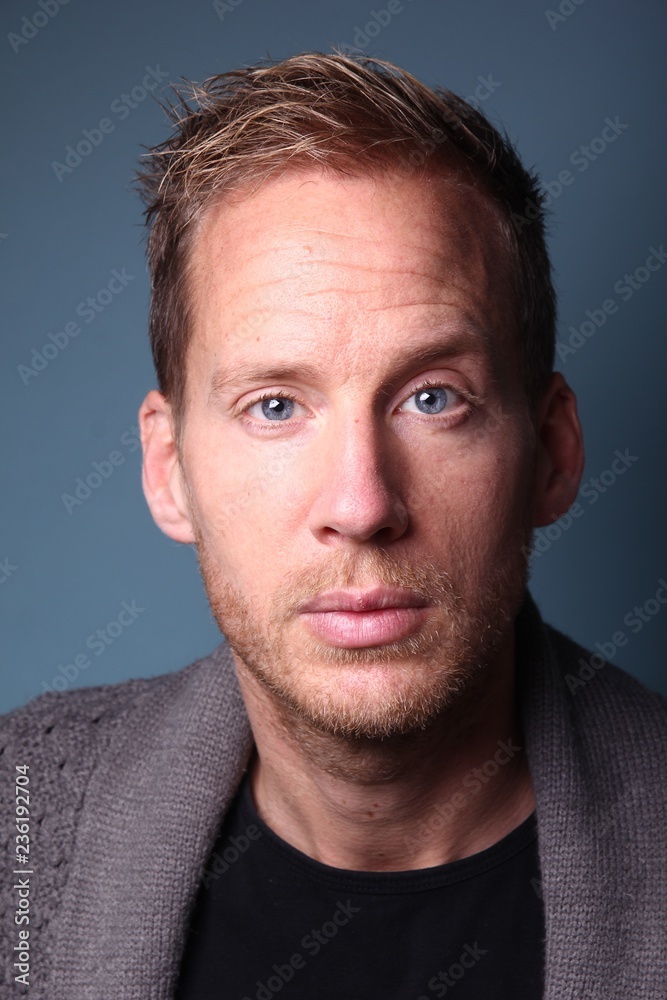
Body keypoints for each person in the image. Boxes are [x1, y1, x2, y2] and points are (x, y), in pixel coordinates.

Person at [1, 50, 665, 1000]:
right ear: (168, 469)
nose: (361, 505)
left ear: (552, 452)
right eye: (275, 406)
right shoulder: (20, 812)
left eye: (433, 398)